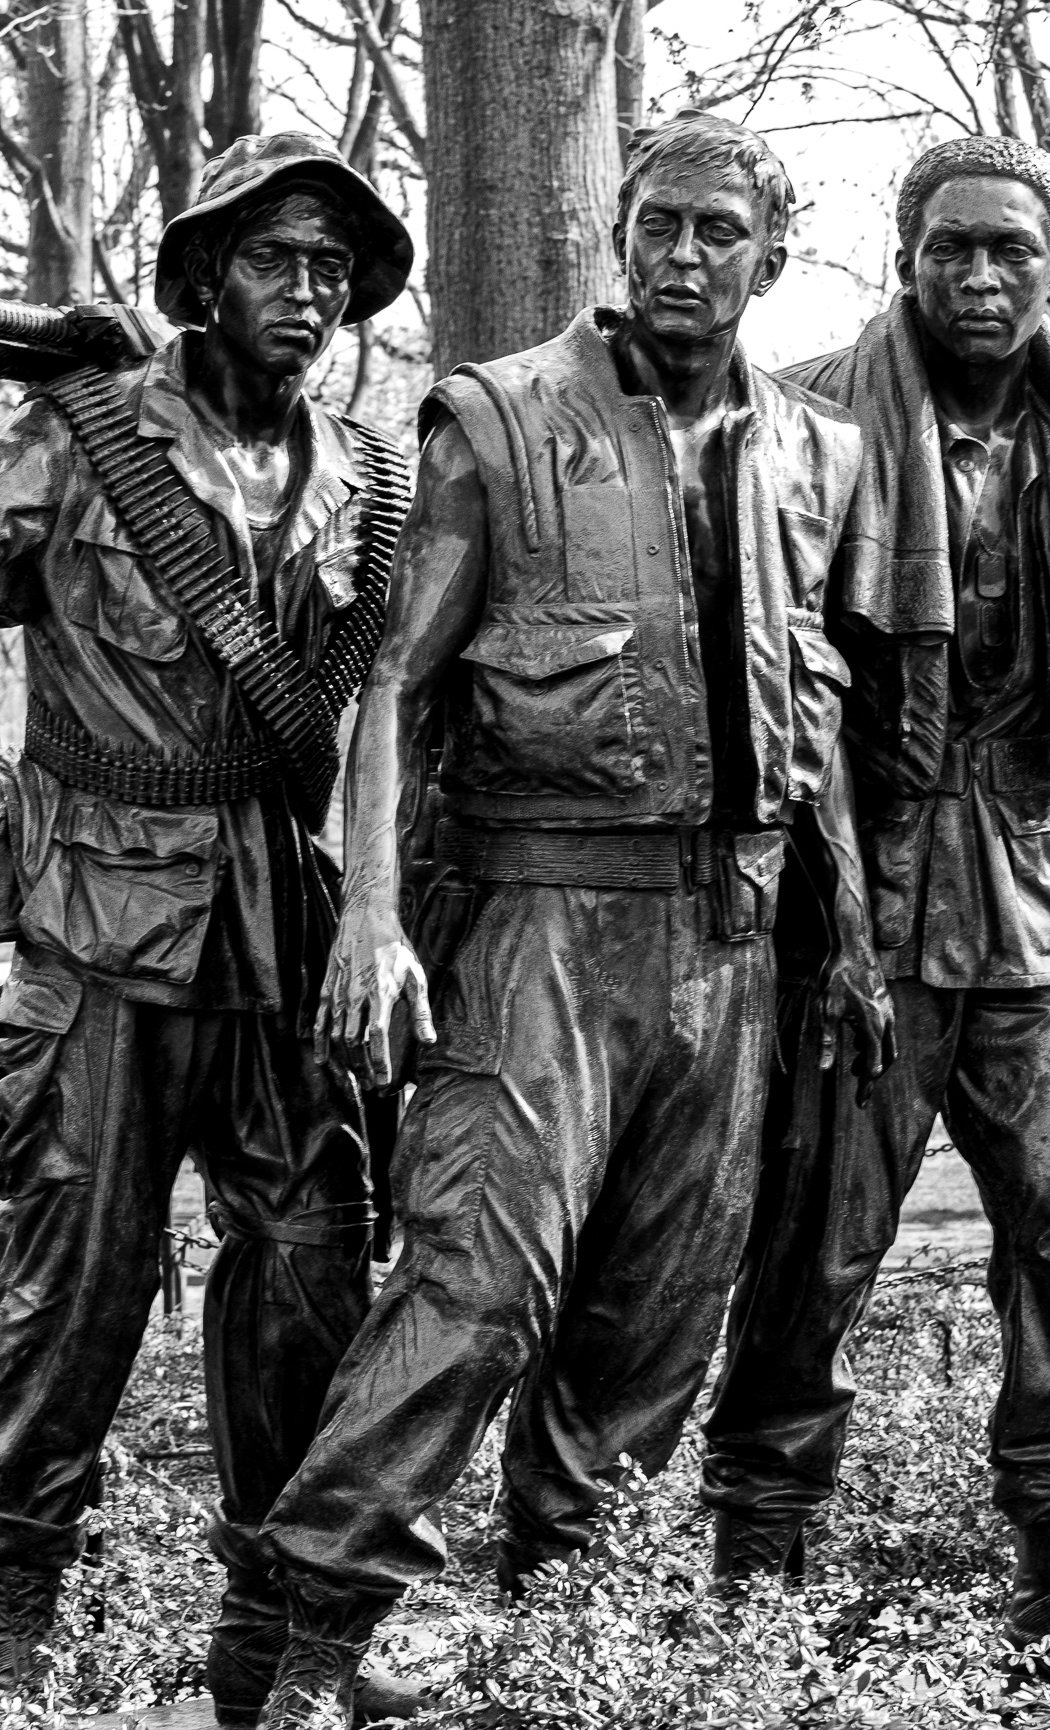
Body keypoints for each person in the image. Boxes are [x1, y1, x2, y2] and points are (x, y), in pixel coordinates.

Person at [243, 111, 895, 1730]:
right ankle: (296, 1640)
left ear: (773, 255)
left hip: (734, 943)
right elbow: (390, 680)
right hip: (541, 920)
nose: (685, 257)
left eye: (718, 233)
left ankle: (568, 1646)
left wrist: (854, 939)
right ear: (619, 233)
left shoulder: (823, 454)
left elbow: (821, 730)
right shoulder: (501, 416)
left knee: (657, 1317)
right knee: (476, 1282)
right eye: (659, 224)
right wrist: (373, 916)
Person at [700, 135, 1050, 1648]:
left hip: (1046, 908)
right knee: (814, 1254)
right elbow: (775, 692)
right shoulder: (804, 418)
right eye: (951, 249)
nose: (981, 277)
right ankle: (757, 1563)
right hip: (865, 905)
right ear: (907, 259)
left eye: (1012, 252)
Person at [0, 131, 420, 1722]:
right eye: (274, 258)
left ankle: (277, 1647)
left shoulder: (376, 472)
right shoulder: (80, 435)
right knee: (71, 1289)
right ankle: (14, 1629)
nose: (307, 290)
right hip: (104, 925)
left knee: (311, 1280)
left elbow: (386, 694)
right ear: (200, 278)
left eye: (333, 268)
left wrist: (378, 907)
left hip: (289, 933)